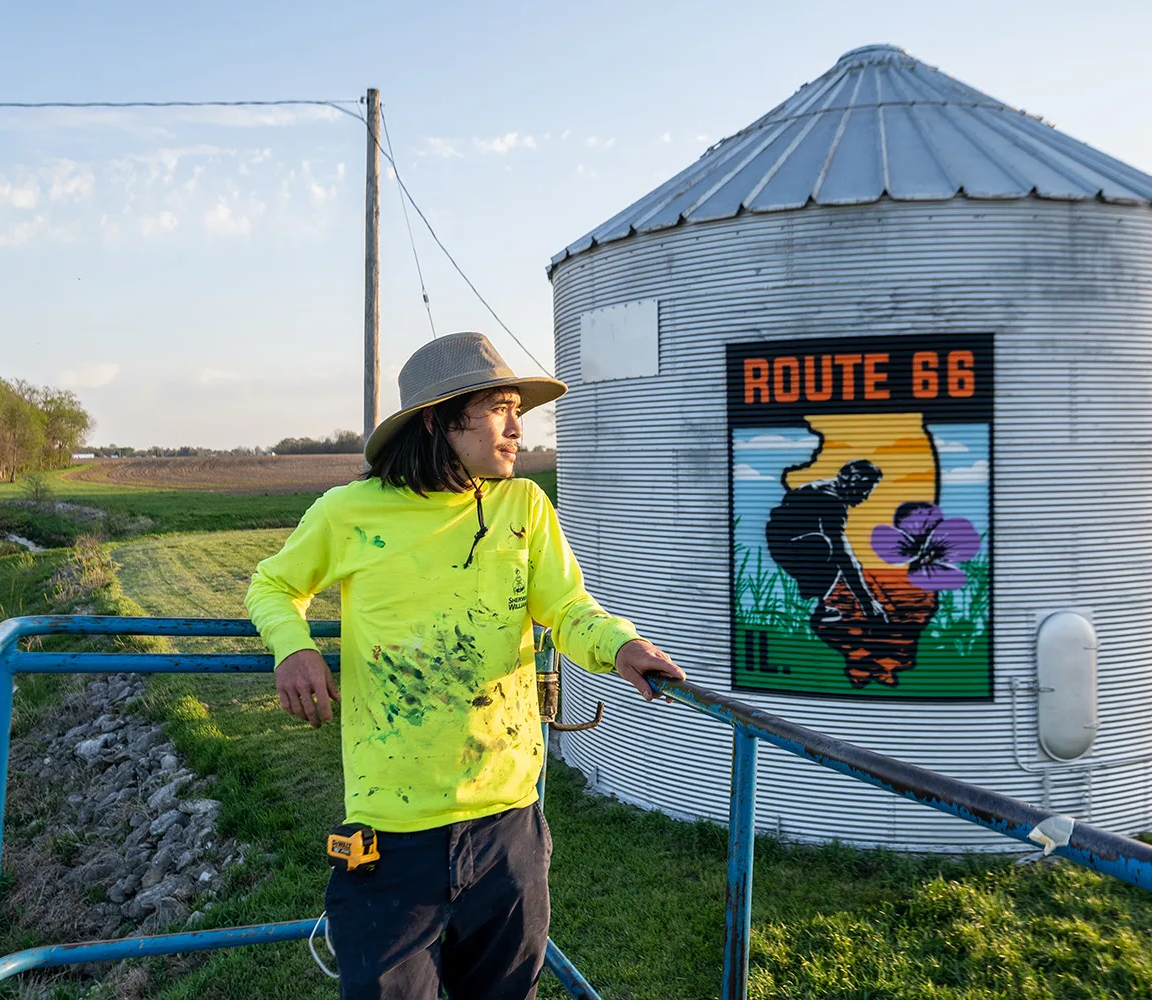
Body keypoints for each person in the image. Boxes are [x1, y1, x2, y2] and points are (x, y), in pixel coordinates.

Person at [245, 331, 685, 1000]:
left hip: (508, 824)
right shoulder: (348, 512)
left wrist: (620, 645)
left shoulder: (524, 507)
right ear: (437, 420)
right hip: (391, 837)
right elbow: (271, 585)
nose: (517, 428)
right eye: (497, 409)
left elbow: (566, 607)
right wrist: (295, 646)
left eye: (519, 410)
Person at [765, 459, 888, 627]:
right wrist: (867, 603)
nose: (865, 497)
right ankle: (807, 604)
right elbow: (842, 551)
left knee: (831, 553)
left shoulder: (828, 490)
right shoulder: (830, 499)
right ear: (854, 479)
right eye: (866, 490)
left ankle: (814, 605)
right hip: (787, 545)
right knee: (826, 547)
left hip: (789, 542)